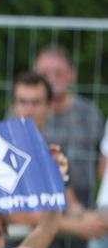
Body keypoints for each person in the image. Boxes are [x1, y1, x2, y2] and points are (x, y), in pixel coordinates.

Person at [8, 72, 108, 248]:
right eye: (22, 102)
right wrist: (77, 226)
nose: (29, 109)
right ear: (14, 105)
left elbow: (71, 205)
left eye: (36, 103)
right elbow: (13, 212)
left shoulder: (54, 155)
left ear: (49, 107)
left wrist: (95, 219)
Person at [36, 46, 104, 211]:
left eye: (58, 73)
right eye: (44, 74)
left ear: (71, 74)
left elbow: (104, 158)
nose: (51, 79)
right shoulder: (26, 114)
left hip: (85, 205)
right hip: (38, 204)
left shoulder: (89, 112)